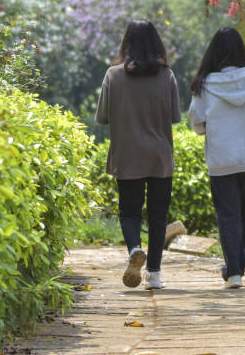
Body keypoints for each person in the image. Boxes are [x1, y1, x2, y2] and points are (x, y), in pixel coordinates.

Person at [187, 27, 245, 289]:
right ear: (241, 51)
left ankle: (234, 274)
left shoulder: (205, 85)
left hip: (222, 160)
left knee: (228, 215)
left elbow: (196, 123)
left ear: (214, 53)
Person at [96, 20, 182, 290]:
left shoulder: (113, 75)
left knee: (129, 212)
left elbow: (102, 117)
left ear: (127, 43)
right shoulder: (167, 76)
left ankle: (135, 249)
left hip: (127, 154)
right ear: (157, 43)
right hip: (159, 157)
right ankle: (154, 274)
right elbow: (175, 116)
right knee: (158, 216)